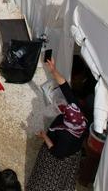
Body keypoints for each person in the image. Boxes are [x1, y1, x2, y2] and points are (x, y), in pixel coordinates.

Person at [27, 58, 88, 191]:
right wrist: (53, 70)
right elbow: (65, 87)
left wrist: (44, 136)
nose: (64, 110)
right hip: (72, 154)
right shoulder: (80, 120)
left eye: (65, 113)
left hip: (57, 160)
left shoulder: (66, 136)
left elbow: (56, 152)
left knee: (47, 182)